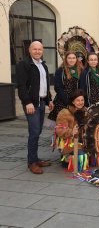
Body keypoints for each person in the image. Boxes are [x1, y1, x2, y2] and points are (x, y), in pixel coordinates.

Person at [17, 41, 54, 174]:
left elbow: (45, 84)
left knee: (37, 132)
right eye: (35, 49)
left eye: (39, 49)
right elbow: (21, 86)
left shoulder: (43, 65)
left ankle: (35, 158)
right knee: (34, 132)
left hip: (42, 102)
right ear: (29, 50)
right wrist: (27, 102)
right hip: (31, 104)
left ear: (42, 50)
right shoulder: (24, 64)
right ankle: (31, 163)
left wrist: (49, 100)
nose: (37, 51)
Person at [54, 89, 87, 169]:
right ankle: (66, 156)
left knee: (91, 158)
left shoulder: (86, 111)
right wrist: (72, 132)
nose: (80, 102)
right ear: (73, 102)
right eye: (78, 100)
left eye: (82, 100)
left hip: (83, 142)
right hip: (69, 143)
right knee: (81, 160)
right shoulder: (64, 113)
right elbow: (59, 130)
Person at [48, 51, 81, 122]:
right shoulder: (60, 70)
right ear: (66, 59)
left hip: (76, 101)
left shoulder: (80, 70)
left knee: (75, 125)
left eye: (73, 58)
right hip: (62, 101)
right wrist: (67, 102)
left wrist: (77, 101)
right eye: (69, 58)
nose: (71, 60)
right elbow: (57, 87)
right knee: (62, 126)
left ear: (76, 59)